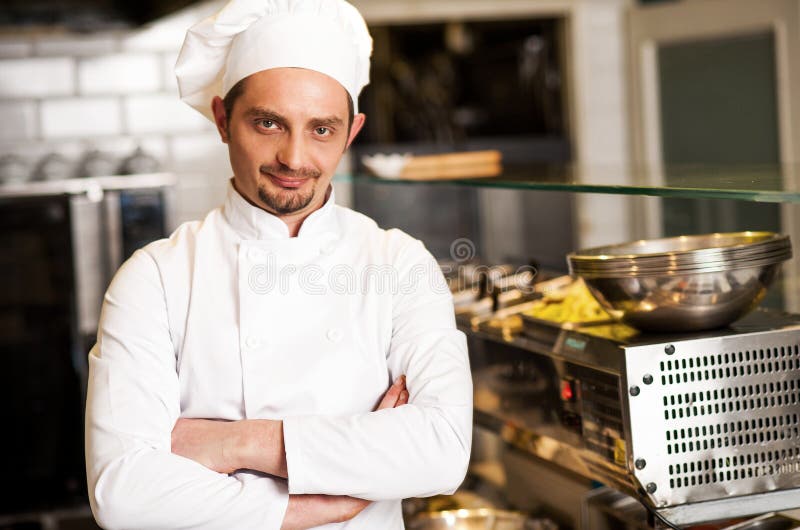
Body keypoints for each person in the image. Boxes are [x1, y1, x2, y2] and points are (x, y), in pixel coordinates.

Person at [84, 1, 473, 529]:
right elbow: (122, 495)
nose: (293, 158)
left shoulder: (398, 263)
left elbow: (442, 450)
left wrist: (238, 441)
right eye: (268, 123)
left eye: (321, 129)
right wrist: (306, 505)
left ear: (351, 132)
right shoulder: (155, 277)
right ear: (223, 119)